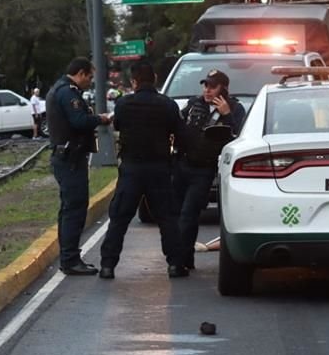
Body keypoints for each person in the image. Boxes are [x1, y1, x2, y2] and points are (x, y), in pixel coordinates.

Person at [98, 60, 189, 280]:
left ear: (134, 81)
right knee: (167, 218)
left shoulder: (123, 104)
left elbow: (118, 125)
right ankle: (175, 265)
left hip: (131, 168)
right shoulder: (167, 105)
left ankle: (107, 266)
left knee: (120, 218)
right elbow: (180, 133)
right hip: (158, 168)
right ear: (155, 79)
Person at [173, 69, 246, 268]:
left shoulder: (235, 109)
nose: (207, 90)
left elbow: (240, 139)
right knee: (177, 214)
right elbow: (177, 126)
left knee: (189, 214)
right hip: (182, 166)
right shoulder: (194, 104)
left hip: (204, 170)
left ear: (224, 88)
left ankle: (179, 262)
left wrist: (227, 116)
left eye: (212, 86)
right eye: (205, 85)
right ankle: (185, 258)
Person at [46, 57, 112, 275]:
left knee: (69, 209)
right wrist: (100, 119)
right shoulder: (68, 93)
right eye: (90, 77)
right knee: (74, 209)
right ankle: (70, 259)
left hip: (67, 157)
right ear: (81, 73)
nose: (90, 82)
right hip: (71, 159)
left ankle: (69, 256)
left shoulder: (60, 89)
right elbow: (79, 121)